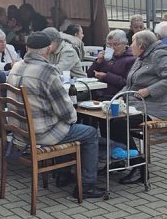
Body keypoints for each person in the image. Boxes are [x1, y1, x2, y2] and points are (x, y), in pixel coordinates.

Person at [7, 32, 107, 199]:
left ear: (26, 48)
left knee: (65, 127)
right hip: (41, 134)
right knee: (88, 133)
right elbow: (67, 113)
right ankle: (87, 185)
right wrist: (72, 118)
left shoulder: (16, 67)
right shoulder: (47, 71)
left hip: (19, 132)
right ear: (48, 49)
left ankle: (63, 174)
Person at [110, 30, 167, 184]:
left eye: (133, 42)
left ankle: (139, 168)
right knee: (107, 119)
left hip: (155, 108)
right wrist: (118, 97)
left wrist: (149, 90)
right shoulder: (141, 57)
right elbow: (130, 84)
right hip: (137, 104)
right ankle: (119, 160)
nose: (130, 45)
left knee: (119, 123)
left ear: (142, 45)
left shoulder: (159, 56)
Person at [86, 29, 135, 100]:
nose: (112, 48)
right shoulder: (106, 57)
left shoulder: (131, 59)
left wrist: (106, 76)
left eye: (115, 44)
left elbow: (127, 83)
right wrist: (98, 62)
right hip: (97, 93)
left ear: (124, 44)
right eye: (109, 44)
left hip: (115, 96)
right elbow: (89, 75)